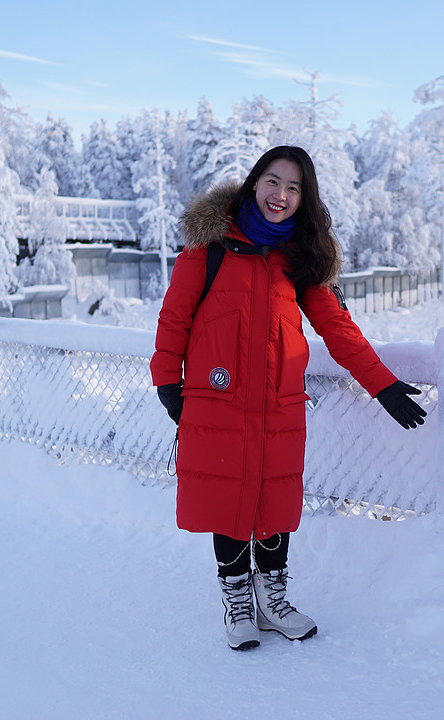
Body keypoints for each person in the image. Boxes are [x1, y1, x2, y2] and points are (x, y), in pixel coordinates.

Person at [150, 145, 426, 651]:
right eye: (274, 182)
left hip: (279, 404)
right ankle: (237, 600)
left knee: (273, 500)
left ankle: (272, 599)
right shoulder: (208, 250)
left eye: (294, 188)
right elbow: (174, 321)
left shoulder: (298, 258)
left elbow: (337, 329)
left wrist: (381, 383)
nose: (281, 195)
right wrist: (168, 383)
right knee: (228, 500)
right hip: (217, 399)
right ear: (255, 183)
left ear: (303, 198)